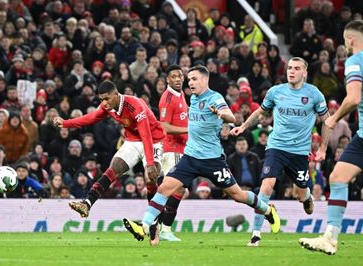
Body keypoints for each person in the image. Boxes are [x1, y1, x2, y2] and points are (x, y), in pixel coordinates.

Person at [123, 66, 280, 246]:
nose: (190, 83)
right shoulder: (194, 98)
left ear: (205, 80)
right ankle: (144, 226)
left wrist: (222, 114)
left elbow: (231, 117)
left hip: (212, 160)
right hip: (190, 157)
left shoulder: (215, 98)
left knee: (237, 195)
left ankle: (267, 210)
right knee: (164, 188)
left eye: (194, 79)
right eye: (189, 79)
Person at [231, 57, 331, 247]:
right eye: (289, 68)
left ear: (305, 73)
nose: (292, 71)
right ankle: (256, 234)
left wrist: (324, 148)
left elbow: (327, 120)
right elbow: (260, 112)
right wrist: (243, 126)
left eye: (296, 68)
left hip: (300, 152)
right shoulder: (276, 92)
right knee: (266, 185)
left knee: (302, 196)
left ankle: (306, 196)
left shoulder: (314, 94)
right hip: (276, 147)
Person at [53, 80, 165, 218]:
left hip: (153, 140)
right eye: (101, 99)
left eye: (107, 98)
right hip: (133, 141)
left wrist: (150, 163)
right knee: (114, 168)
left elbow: (146, 135)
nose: (104, 103)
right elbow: (90, 118)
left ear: (116, 94)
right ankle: (87, 203)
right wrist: (65, 123)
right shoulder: (108, 106)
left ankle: (154, 219)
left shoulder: (135, 105)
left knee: (150, 178)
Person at [299, 20, 363, 255]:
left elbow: (354, 98)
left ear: (350, 39)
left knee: (338, 178)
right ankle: (330, 237)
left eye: (345, 40)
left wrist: (333, 119)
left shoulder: (355, 60)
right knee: (337, 177)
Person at [157, 64, 188, 241]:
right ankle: (164, 228)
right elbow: (164, 126)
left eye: (179, 76)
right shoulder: (167, 99)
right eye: (173, 77)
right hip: (172, 148)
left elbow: (182, 116)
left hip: (181, 148)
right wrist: (187, 130)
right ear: (167, 80)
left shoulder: (181, 94)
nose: (177, 79)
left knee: (173, 189)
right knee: (176, 188)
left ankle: (157, 225)